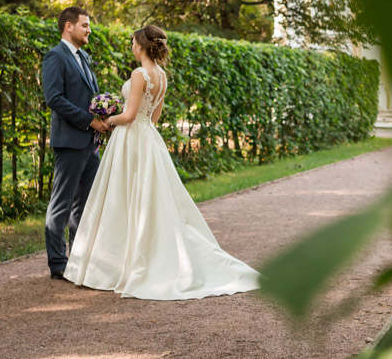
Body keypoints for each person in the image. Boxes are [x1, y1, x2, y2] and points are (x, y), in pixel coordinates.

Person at [62, 25, 260, 299]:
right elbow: (153, 118)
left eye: (133, 43)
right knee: (148, 198)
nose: (131, 47)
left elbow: (130, 115)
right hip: (149, 139)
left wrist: (108, 119)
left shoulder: (139, 73)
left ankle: (116, 264)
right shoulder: (162, 75)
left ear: (142, 46)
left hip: (131, 139)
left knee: (123, 196)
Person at [42, 6, 110, 280]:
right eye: (85, 25)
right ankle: (58, 263)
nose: (89, 29)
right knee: (62, 204)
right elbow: (54, 99)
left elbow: (88, 97)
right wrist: (89, 121)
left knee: (84, 205)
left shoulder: (84, 57)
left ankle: (79, 259)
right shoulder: (55, 56)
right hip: (70, 141)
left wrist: (104, 118)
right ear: (69, 26)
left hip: (89, 142)